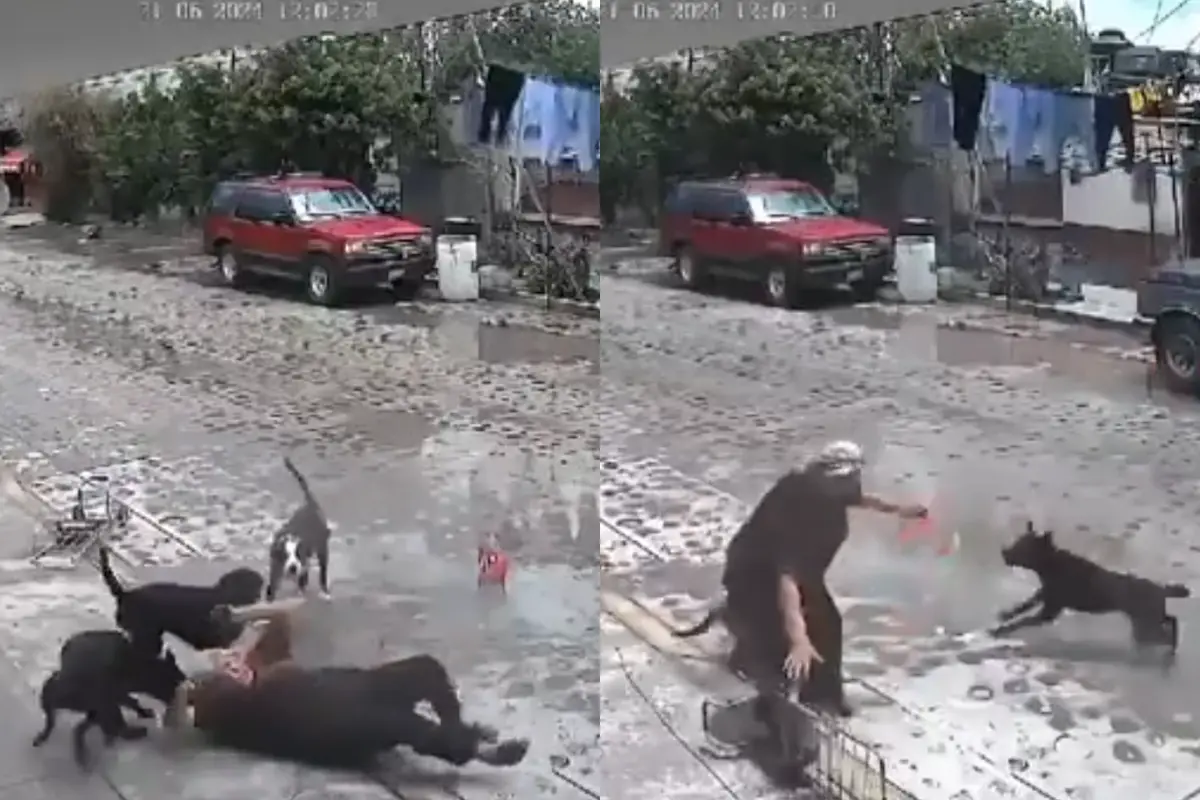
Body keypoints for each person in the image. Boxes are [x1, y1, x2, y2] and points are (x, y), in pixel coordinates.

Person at [721, 440, 927, 722]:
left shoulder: (836, 487)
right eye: (842, 479)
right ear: (819, 474)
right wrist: (799, 639)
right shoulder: (797, 502)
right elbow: (787, 580)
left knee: (829, 625)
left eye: (852, 477)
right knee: (776, 636)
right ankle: (764, 690)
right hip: (757, 571)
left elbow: (859, 498)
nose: (849, 484)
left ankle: (825, 695)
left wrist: (900, 509)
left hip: (803, 571)